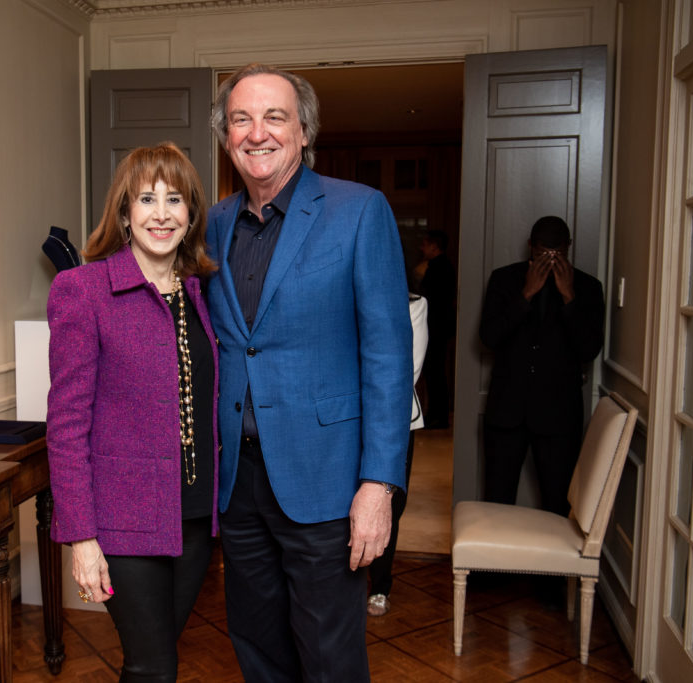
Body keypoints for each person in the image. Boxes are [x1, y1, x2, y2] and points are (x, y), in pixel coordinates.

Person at [206, 63, 412, 682]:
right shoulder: (212, 224)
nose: (257, 132)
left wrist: (379, 485)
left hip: (325, 482)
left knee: (329, 656)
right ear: (226, 136)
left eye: (275, 117)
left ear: (303, 132)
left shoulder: (358, 211)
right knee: (257, 647)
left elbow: (388, 359)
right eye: (241, 118)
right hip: (238, 484)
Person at [45, 142, 219, 682]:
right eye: (146, 199)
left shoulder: (200, 291)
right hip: (122, 521)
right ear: (124, 212)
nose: (161, 214)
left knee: (155, 660)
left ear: (191, 216)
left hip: (193, 518)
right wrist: (82, 538)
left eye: (175, 200)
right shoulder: (83, 290)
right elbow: (67, 426)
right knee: (153, 667)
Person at [480, 215, 604, 516]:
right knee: (496, 504)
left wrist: (569, 297)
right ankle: (491, 565)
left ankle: (549, 566)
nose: (549, 261)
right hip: (506, 414)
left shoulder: (588, 287)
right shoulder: (504, 279)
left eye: (557, 255)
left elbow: (588, 349)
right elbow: (489, 337)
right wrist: (526, 295)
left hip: (559, 418)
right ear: (530, 247)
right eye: (541, 254)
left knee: (558, 505)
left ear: (568, 248)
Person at [367, 293, 428, 617]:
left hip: (395, 420)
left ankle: (379, 585)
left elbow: (408, 370)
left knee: (389, 503)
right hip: (342, 422)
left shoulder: (414, 305)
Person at [418, 229, 457, 429]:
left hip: (436, 327)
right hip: (438, 327)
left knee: (435, 373)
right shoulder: (440, 266)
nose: (421, 248)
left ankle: (437, 416)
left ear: (435, 246)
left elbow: (430, 299)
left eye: (425, 244)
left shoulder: (438, 268)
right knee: (435, 372)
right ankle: (436, 415)